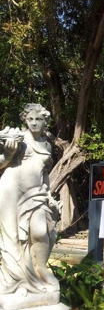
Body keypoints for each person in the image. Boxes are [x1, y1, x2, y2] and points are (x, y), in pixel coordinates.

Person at [0, 104, 61, 296]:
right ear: (25, 120)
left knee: (42, 230)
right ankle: (16, 280)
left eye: (38, 119)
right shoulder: (18, 138)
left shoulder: (47, 145)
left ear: (45, 122)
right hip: (11, 192)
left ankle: (40, 269)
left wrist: (49, 195)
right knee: (13, 238)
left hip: (35, 193)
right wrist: (8, 154)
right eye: (30, 119)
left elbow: (44, 174)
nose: (34, 123)